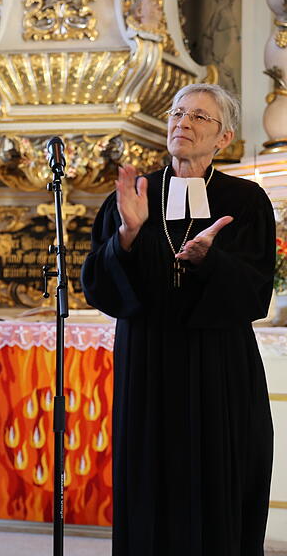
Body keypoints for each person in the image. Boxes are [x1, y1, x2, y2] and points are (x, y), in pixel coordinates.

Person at [81, 83, 274, 555]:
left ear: (223, 138)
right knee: (149, 479)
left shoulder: (246, 201)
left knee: (218, 479)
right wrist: (125, 236)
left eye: (198, 117)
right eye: (177, 113)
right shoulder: (133, 195)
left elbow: (256, 293)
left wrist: (212, 260)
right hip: (148, 363)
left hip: (219, 366)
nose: (182, 123)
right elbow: (97, 286)